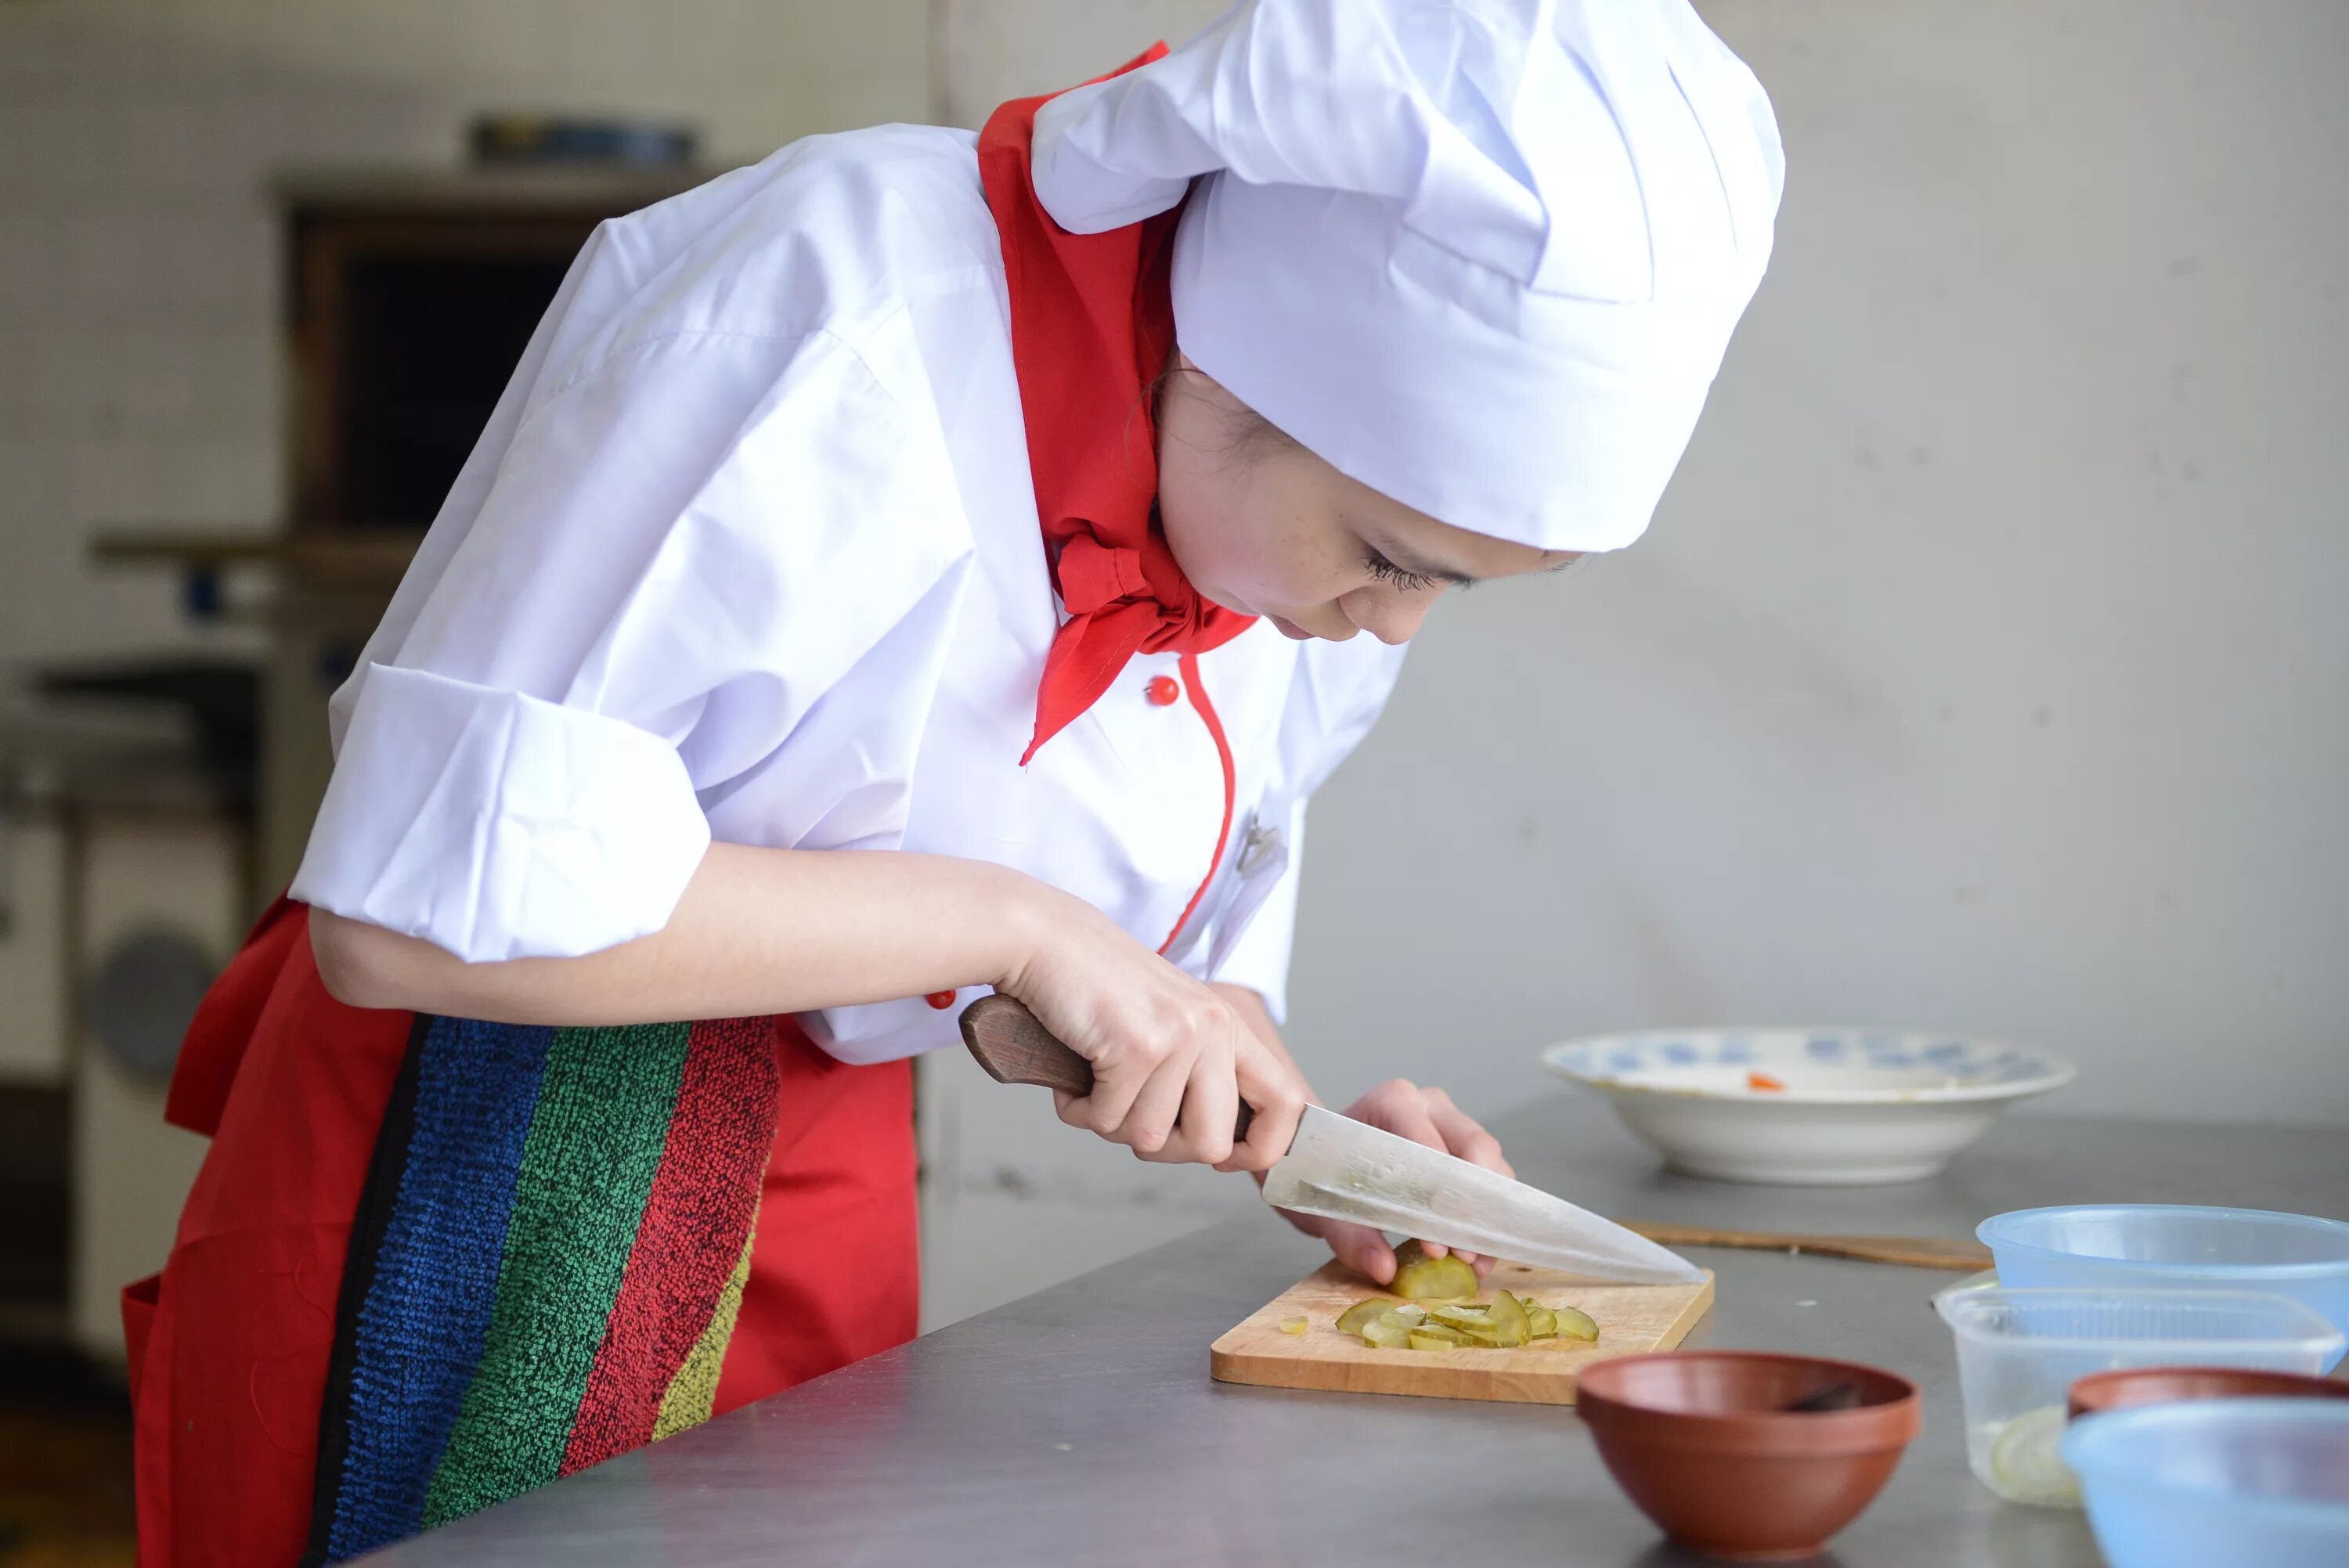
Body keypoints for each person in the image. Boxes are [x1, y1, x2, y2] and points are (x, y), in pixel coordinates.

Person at [124, 2, 1782, 1562]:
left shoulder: (1292, 568)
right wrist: (1015, 920)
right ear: (1239, 366)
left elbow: (1063, 977)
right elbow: (410, 928)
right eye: (1389, 553)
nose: (1397, 622)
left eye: (1461, 585)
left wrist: (1302, 1129)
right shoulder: (828, 303)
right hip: (468, 1168)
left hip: (821, 1171)